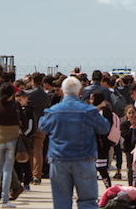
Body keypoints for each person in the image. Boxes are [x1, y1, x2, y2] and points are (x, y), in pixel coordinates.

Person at [38, 76, 110, 209]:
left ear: (62, 91)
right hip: (84, 159)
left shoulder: (53, 111)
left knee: (61, 202)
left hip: (59, 159)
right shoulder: (89, 111)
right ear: (80, 91)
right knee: (88, 202)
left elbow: (43, 126)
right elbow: (104, 128)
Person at [0, 83, 23, 208]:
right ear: (12, 94)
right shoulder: (16, 105)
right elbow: (24, 122)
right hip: (12, 140)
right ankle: (5, 200)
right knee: (7, 169)